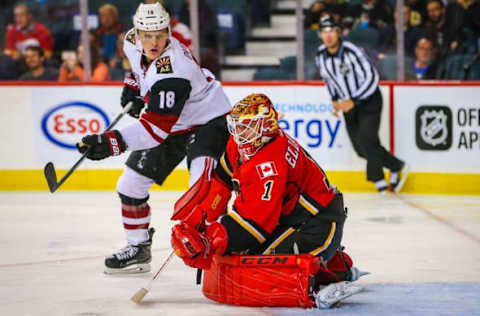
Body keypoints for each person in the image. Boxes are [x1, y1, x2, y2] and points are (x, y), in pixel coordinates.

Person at [76, 3, 231, 274]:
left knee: (201, 194)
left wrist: (109, 142)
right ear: (137, 32)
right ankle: (138, 247)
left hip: (206, 121)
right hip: (173, 122)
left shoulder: (175, 69)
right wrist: (134, 87)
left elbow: (153, 131)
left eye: (160, 34)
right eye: (147, 35)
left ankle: (219, 250)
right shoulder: (130, 41)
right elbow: (136, 67)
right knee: (130, 185)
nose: (153, 42)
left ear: (169, 31)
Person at [170, 94, 365, 308]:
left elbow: (254, 226)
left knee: (262, 263)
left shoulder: (270, 162)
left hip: (318, 223)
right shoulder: (243, 144)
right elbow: (222, 181)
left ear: (265, 126)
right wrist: (203, 217)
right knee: (243, 254)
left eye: (246, 126)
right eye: (236, 126)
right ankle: (334, 262)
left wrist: (210, 240)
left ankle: (326, 275)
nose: (238, 132)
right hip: (292, 220)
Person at [315, 16, 408, 193]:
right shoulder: (321, 55)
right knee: (361, 149)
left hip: (369, 100)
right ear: (320, 35)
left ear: (338, 33)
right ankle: (396, 166)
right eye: (324, 32)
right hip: (347, 105)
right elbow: (329, 79)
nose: (328, 36)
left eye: (332, 31)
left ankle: (379, 182)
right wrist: (335, 100)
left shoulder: (351, 51)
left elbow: (372, 77)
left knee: (368, 140)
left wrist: (354, 100)